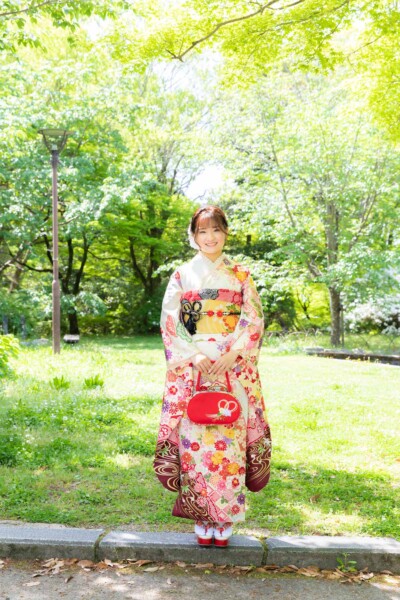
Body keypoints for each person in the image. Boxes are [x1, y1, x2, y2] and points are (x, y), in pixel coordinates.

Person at [154, 205, 271, 547]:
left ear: (225, 233)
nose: (210, 237)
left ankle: (225, 516)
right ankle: (201, 514)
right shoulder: (182, 275)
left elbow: (253, 318)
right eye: (202, 231)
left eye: (216, 230)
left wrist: (235, 352)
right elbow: (170, 320)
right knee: (196, 442)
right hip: (195, 369)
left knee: (229, 443)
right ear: (193, 236)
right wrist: (194, 355)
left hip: (232, 367)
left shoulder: (241, 275)